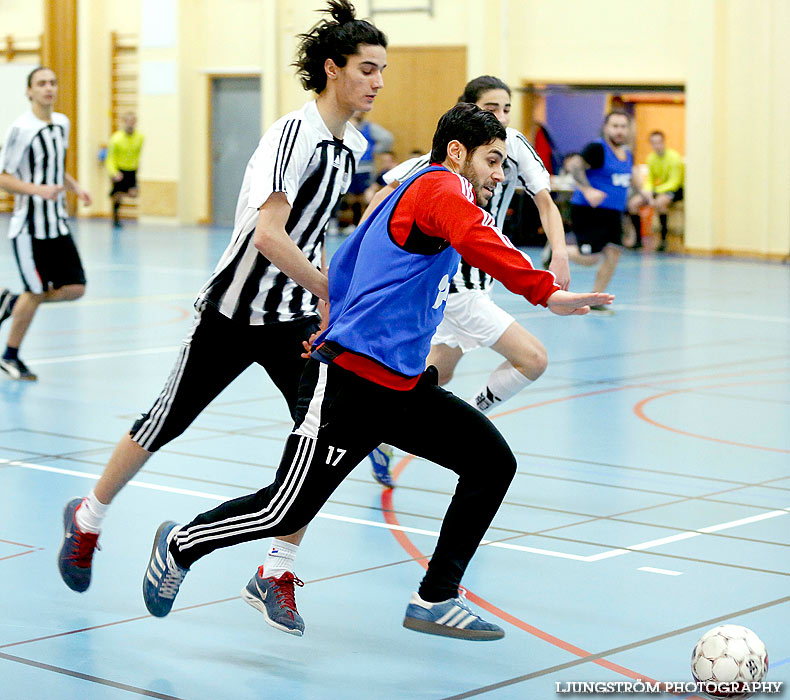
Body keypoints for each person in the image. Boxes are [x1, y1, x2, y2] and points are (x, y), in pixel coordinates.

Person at [140, 103, 614, 641]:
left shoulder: (418, 190)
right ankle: (181, 542)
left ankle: (435, 598)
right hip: (349, 384)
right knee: (281, 509)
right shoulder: (440, 188)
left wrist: (335, 313)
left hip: (401, 386)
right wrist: (544, 291)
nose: (500, 176)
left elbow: (349, 257)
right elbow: (476, 241)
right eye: (493, 161)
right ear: (457, 153)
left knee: (490, 463)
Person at [57, 0, 387, 638]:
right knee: (166, 421)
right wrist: (328, 289)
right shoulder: (293, 136)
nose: (377, 82)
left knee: (320, 444)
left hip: (291, 322)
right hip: (232, 312)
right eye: (367, 69)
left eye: (381, 71)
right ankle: (89, 519)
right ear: (332, 69)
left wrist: (319, 304)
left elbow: (310, 231)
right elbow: (268, 235)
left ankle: (275, 570)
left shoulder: (353, 148)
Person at [364, 76, 570, 485]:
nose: (503, 117)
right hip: (458, 286)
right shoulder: (444, 163)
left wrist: (559, 253)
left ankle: (379, 430)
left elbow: (545, 201)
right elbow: (385, 190)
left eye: (508, 109)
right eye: (493, 108)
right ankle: (468, 421)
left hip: (471, 284)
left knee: (436, 374)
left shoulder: (511, 146)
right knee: (534, 359)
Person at [0, 67, 92, 381]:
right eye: (41, 84)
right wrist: (38, 190)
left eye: (52, 82)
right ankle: (10, 356)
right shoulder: (21, 129)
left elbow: (53, 167)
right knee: (36, 291)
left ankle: (12, 302)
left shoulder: (62, 123)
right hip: (29, 228)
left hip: (57, 225)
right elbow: (3, 177)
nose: (48, 88)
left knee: (76, 288)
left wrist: (74, 186)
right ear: (29, 92)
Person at [544, 110, 644, 313]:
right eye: (615, 126)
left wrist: (642, 194)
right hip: (589, 210)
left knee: (614, 253)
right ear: (606, 128)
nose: (619, 131)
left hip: (613, 213)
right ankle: (556, 252)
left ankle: (596, 299)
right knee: (590, 258)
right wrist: (588, 190)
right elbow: (575, 167)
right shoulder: (597, 149)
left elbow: (628, 178)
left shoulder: (628, 154)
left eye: (623, 127)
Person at [627, 130, 683, 251]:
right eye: (653, 143)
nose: (656, 145)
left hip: (673, 189)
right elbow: (650, 179)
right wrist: (647, 192)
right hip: (657, 190)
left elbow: (674, 182)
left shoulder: (674, 158)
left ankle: (663, 240)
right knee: (633, 204)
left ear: (663, 142)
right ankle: (638, 240)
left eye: (659, 142)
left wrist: (656, 193)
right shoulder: (651, 158)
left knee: (660, 203)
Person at [342, 111, 393, 228]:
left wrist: (372, 149)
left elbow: (388, 138)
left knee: (364, 196)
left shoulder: (369, 127)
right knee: (350, 196)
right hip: (350, 166)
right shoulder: (346, 127)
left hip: (365, 167)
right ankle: (352, 223)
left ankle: (363, 223)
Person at [106, 112, 144, 229]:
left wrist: (137, 166)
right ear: (123, 123)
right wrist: (113, 172)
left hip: (131, 169)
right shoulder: (116, 138)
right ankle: (115, 218)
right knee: (118, 197)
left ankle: (112, 193)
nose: (130, 124)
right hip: (119, 169)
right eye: (128, 121)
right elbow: (110, 157)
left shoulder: (140, 137)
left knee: (133, 193)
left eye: (132, 121)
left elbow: (137, 154)